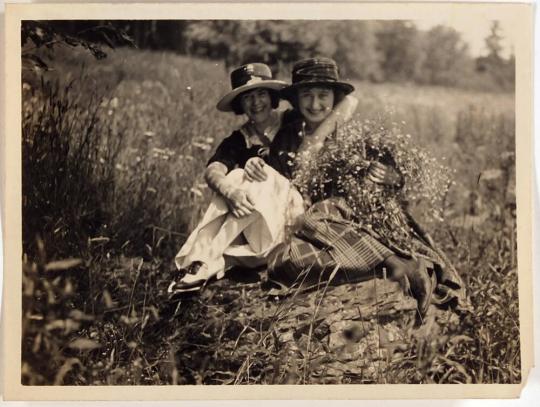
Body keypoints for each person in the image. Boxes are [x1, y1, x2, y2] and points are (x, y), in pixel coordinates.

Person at [266, 57, 467, 318]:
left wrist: (392, 178)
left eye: (323, 95)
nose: (315, 104)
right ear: (296, 98)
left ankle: (401, 265)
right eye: (307, 95)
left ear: (335, 97)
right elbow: (285, 182)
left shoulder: (353, 134)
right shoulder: (287, 136)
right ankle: (393, 264)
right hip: (324, 227)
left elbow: (395, 181)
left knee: (315, 218)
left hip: (353, 215)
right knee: (288, 262)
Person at [168, 62, 358, 294]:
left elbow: (349, 102)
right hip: (259, 219)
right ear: (240, 104)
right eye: (248, 97)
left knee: (257, 173)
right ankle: (200, 260)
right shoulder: (240, 139)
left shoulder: (291, 119)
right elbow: (213, 170)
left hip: (292, 210)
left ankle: (204, 259)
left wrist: (315, 141)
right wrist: (230, 191)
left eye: (261, 94)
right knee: (236, 175)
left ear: (272, 96)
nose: (256, 102)